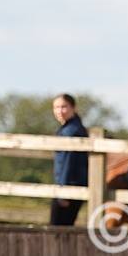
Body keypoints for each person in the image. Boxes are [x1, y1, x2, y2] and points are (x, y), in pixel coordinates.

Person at [50, 93, 88, 226]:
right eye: (56, 107)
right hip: (67, 185)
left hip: (69, 187)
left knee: (58, 229)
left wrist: (63, 193)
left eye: (63, 107)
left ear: (73, 108)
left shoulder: (72, 131)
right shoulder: (68, 128)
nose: (59, 111)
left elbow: (68, 162)